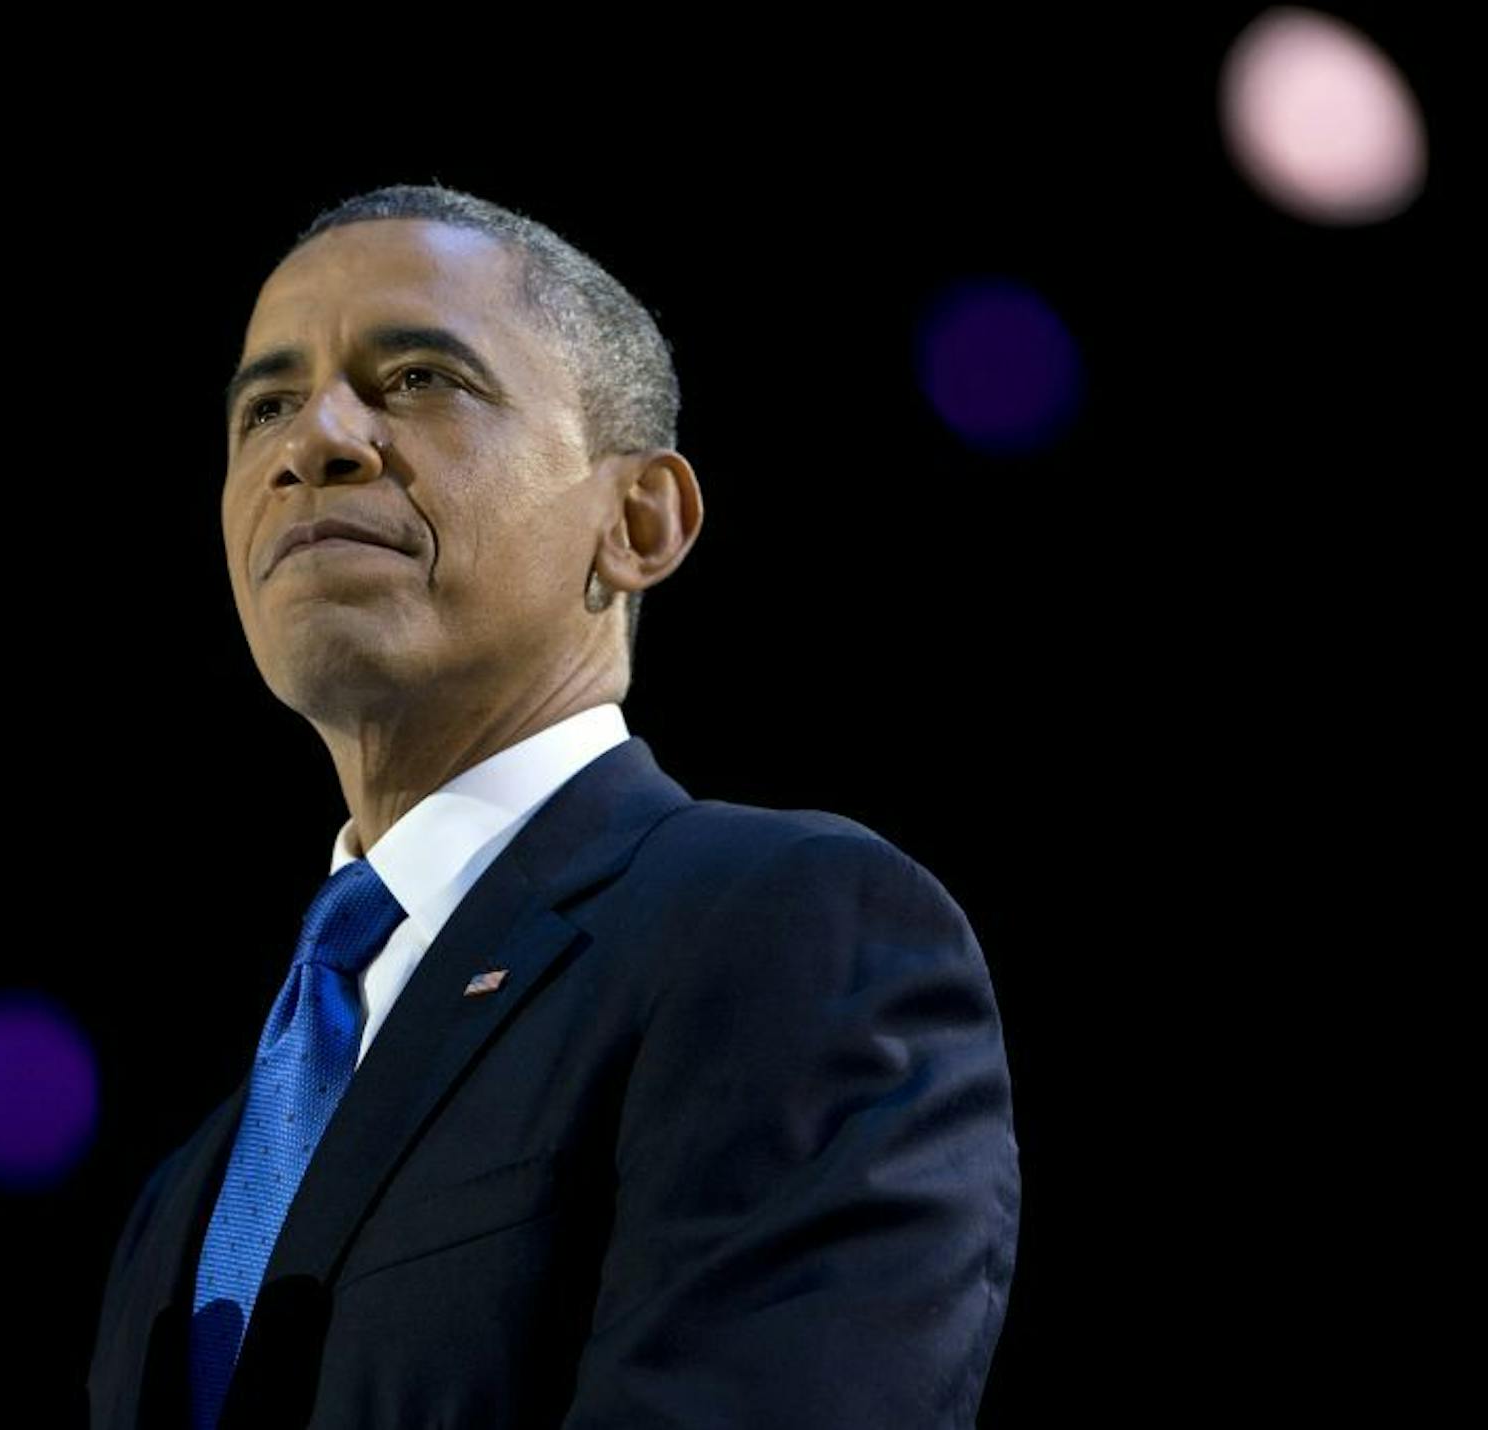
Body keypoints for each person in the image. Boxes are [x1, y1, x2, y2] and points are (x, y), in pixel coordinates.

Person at [87, 181, 1020, 1429]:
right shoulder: (190, 1189)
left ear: (638, 520)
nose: (314, 440)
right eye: (264, 405)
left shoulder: (785, 926)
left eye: (417, 378)